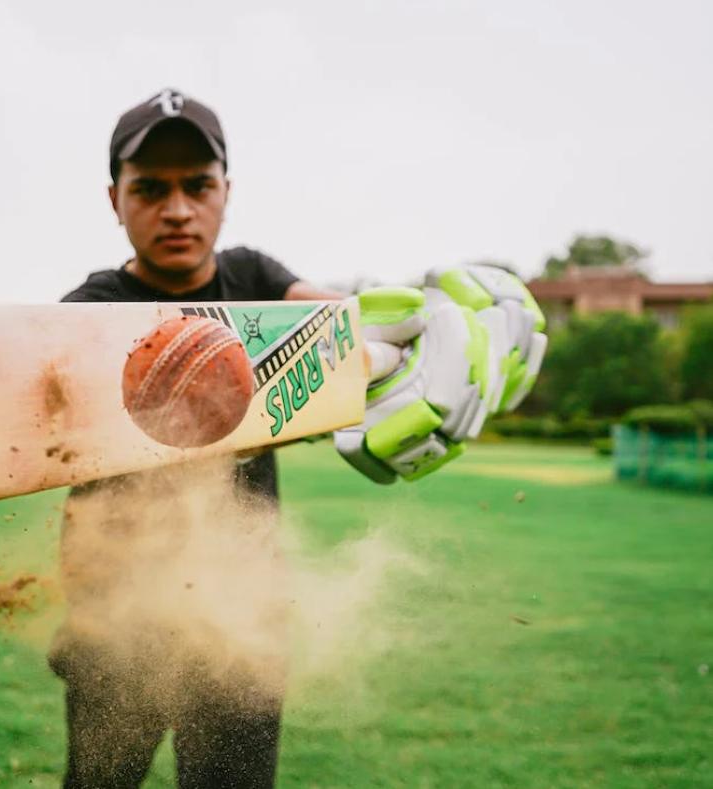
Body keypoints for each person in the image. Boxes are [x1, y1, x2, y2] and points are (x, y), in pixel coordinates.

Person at [50, 88, 547, 788]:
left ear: (226, 192)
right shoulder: (93, 308)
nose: (178, 209)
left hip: (242, 614)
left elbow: (342, 328)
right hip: (118, 622)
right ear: (115, 199)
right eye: (151, 189)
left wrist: (448, 337)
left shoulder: (252, 276)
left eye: (198, 185)